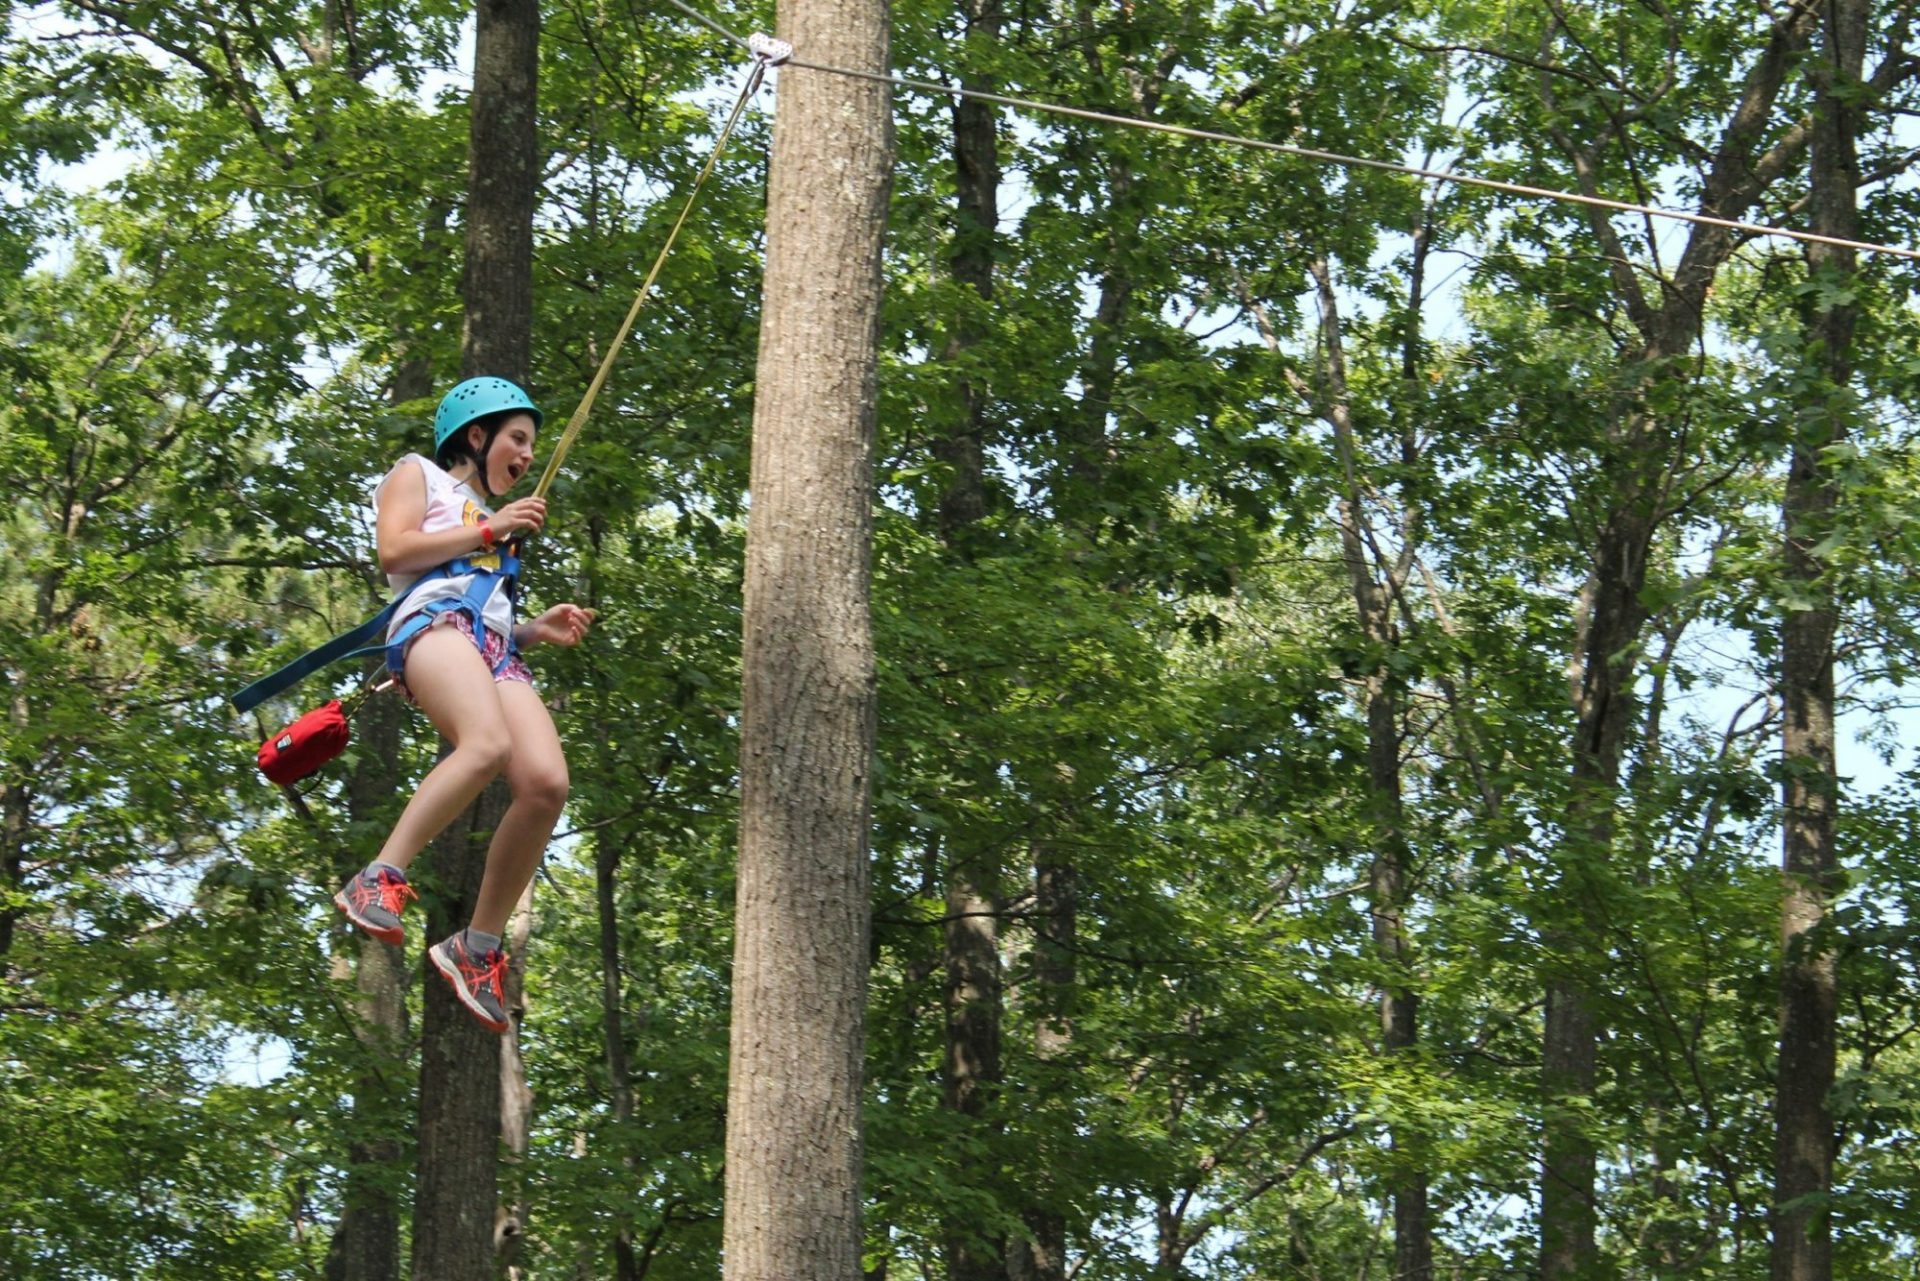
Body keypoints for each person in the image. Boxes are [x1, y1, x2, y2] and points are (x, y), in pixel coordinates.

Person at [333, 376, 595, 1033]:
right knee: (485, 745)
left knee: (545, 783)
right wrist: (490, 533)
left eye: (532, 443)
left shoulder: (492, 526)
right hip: (432, 628)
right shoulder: (418, 474)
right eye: (517, 438)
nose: (528, 454)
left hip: (492, 646)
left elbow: (493, 611)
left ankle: (476, 947)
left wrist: (534, 628)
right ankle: (377, 876)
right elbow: (394, 550)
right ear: (475, 438)